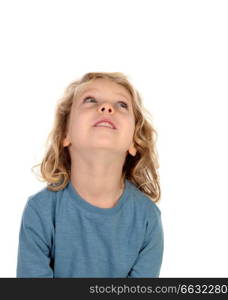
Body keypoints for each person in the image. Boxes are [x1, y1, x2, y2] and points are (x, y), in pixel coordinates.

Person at [16, 72, 164, 278]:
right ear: (65, 134)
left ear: (133, 142)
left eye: (122, 105)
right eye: (90, 100)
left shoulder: (148, 219)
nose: (106, 107)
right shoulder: (40, 210)